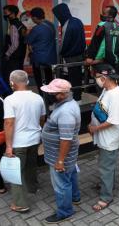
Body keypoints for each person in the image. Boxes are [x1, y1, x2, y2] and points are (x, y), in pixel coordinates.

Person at [4, 70, 45, 213]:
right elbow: (42, 118)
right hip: (34, 138)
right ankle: (32, 187)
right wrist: (38, 130)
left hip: (18, 142)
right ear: (27, 81)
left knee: (16, 172)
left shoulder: (9, 100)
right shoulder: (38, 98)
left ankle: (20, 203)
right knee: (31, 164)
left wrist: (9, 146)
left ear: (12, 83)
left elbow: (9, 123)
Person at [40, 78, 81, 223]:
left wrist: (60, 161)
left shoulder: (66, 112)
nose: (49, 95)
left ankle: (65, 212)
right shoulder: (65, 103)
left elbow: (66, 139)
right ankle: (75, 197)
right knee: (71, 175)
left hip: (60, 156)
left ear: (62, 94)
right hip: (64, 155)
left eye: (53, 92)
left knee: (61, 184)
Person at [88, 64, 119, 211]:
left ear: (104, 78)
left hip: (109, 137)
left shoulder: (116, 95)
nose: (96, 80)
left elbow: (113, 120)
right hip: (102, 135)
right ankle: (107, 184)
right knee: (107, 165)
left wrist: (95, 128)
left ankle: (106, 197)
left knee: (106, 167)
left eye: (97, 77)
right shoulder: (106, 89)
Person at [52, 3, 86, 101]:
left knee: (72, 77)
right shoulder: (78, 21)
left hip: (71, 56)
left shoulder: (67, 25)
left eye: (57, 15)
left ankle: (75, 97)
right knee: (78, 77)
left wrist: (60, 53)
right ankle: (78, 95)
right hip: (80, 54)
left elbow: (64, 42)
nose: (57, 17)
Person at [86, 6, 119, 74]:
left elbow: (95, 41)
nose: (102, 15)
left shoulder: (102, 25)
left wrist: (90, 57)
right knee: (112, 80)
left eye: (104, 13)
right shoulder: (118, 27)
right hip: (115, 60)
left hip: (101, 61)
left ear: (110, 15)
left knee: (101, 81)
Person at [26, 7, 57, 94]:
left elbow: (28, 40)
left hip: (39, 58)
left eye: (32, 18)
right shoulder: (51, 25)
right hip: (50, 57)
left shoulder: (36, 29)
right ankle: (51, 96)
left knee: (39, 79)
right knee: (49, 77)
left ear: (35, 17)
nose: (32, 19)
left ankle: (44, 97)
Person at [2, 5, 26, 83]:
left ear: (12, 14)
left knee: (12, 77)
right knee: (19, 76)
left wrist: (7, 54)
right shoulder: (21, 24)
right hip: (21, 54)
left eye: (6, 13)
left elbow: (15, 44)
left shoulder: (13, 26)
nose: (5, 15)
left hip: (14, 57)